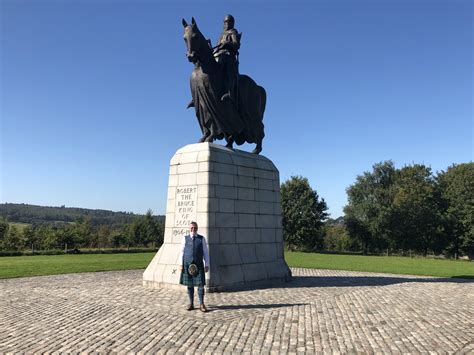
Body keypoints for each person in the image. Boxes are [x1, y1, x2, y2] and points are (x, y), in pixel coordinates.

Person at [178, 221, 210, 312]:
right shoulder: (185, 238)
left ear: (197, 228)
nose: (193, 229)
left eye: (195, 228)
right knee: (190, 285)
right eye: (191, 228)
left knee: (200, 285)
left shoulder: (201, 239)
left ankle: (201, 304)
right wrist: (181, 264)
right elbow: (181, 252)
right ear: (189, 229)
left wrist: (206, 264)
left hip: (199, 264)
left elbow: (205, 252)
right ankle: (191, 303)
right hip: (187, 264)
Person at [213, 14, 241, 102]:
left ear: (232, 23)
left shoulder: (233, 32)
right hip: (219, 55)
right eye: (225, 21)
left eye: (229, 21)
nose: (227, 23)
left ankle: (230, 92)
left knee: (227, 65)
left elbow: (237, 45)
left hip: (229, 56)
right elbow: (217, 46)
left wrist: (228, 44)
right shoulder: (221, 34)